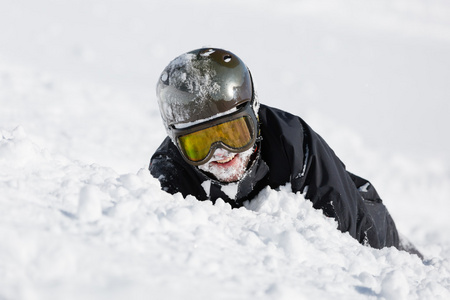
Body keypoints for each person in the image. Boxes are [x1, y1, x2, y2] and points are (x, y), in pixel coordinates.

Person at [149, 47, 422, 257]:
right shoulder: (169, 173)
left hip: (370, 221)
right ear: (176, 142)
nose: (221, 153)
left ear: (254, 116)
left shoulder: (293, 145)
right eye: (200, 144)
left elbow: (355, 247)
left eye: (234, 135)